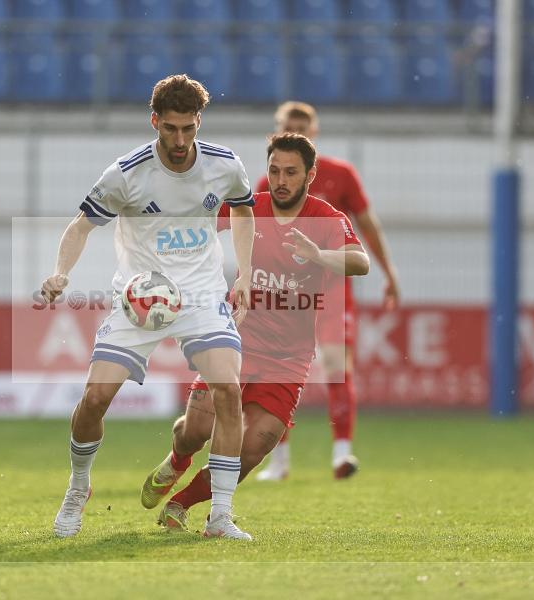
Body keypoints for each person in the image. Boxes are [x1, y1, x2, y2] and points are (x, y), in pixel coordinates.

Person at [39, 74, 256, 540]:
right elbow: (81, 227)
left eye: (188, 129)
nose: (179, 140)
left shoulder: (225, 165)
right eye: (170, 129)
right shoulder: (126, 174)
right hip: (138, 300)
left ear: (199, 122)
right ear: (154, 121)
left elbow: (242, 209)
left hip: (200, 295)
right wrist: (61, 272)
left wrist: (247, 274)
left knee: (229, 392)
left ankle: (220, 515)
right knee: (95, 399)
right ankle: (79, 489)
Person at [139, 132, 369, 530]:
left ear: (310, 175)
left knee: (254, 446)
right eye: (275, 170)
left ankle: (183, 505)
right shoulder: (251, 207)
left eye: (291, 173)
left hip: (289, 359)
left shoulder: (327, 219)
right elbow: (197, 230)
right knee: (195, 432)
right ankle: (177, 460)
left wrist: (318, 255)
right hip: (235, 340)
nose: (281, 180)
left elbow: (360, 262)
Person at [254, 101, 400, 481]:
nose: (297, 132)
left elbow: (367, 226)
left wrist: (389, 271)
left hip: (332, 289)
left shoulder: (341, 174)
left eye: (303, 127)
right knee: (275, 372)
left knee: (336, 367)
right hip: (286, 294)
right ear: (277, 132)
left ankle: (341, 454)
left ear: (315, 132)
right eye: (290, 126)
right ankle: (279, 460)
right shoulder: (267, 184)